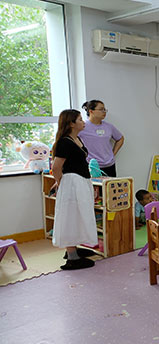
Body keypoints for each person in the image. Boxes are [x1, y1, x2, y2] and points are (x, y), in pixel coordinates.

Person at [51, 109, 98, 270]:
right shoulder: (65, 142)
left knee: (79, 214)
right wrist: (60, 183)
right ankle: (72, 257)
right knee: (70, 216)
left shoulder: (77, 139)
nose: (83, 121)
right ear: (71, 123)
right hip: (71, 183)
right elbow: (56, 167)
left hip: (81, 181)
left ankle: (73, 248)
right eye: (79, 119)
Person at [78, 100, 124, 177]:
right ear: (91, 111)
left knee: (110, 188)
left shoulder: (109, 126)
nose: (104, 112)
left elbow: (120, 139)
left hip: (109, 165)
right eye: (101, 109)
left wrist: (112, 154)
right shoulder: (82, 127)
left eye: (105, 109)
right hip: (91, 166)